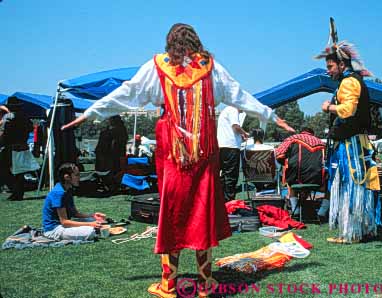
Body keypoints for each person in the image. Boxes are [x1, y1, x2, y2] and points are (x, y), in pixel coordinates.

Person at [61, 23, 294, 298]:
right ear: (196, 42)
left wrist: (91, 112)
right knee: (201, 214)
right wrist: (271, 116)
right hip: (203, 154)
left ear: (169, 43)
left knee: (172, 214)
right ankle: (206, 282)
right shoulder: (210, 67)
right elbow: (239, 95)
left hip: (173, 155)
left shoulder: (158, 66)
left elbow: (127, 92)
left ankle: (168, 284)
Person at [315, 32, 380, 244]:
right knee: (355, 185)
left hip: (351, 146)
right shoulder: (351, 80)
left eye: (331, 66)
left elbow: (349, 110)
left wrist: (328, 107)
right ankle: (361, 229)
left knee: (351, 184)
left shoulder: (350, 82)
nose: (328, 70)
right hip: (354, 143)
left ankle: (351, 233)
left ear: (342, 65)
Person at [42, 162, 106, 241]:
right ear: (67, 177)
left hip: (64, 226)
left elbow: (75, 213)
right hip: (54, 229)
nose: (79, 178)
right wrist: (90, 224)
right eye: (77, 175)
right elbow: (64, 222)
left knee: (96, 221)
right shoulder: (59, 193)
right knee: (90, 232)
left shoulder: (68, 190)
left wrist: (92, 216)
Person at [275, 127, 325, 216]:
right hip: (317, 179)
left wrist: (285, 163)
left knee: (290, 180)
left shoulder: (293, 139)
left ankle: (295, 209)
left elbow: (278, 154)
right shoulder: (321, 142)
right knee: (327, 183)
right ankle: (322, 211)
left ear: (302, 132)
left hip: (297, 178)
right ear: (312, 134)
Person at [0, 98, 34, 201]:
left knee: (3, 169)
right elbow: (30, 128)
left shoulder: (8, 117)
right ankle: (18, 192)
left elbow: (2, 132)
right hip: (22, 146)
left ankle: (15, 190)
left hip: (10, 147)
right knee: (20, 172)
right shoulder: (25, 117)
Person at [217, 106, 248, 201]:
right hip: (231, 147)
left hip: (223, 146)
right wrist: (245, 133)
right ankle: (230, 202)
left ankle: (222, 200)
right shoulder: (233, 110)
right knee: (231, 176)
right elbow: (235, 127)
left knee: (224, 175)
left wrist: (240, 136)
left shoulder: (226, 110)